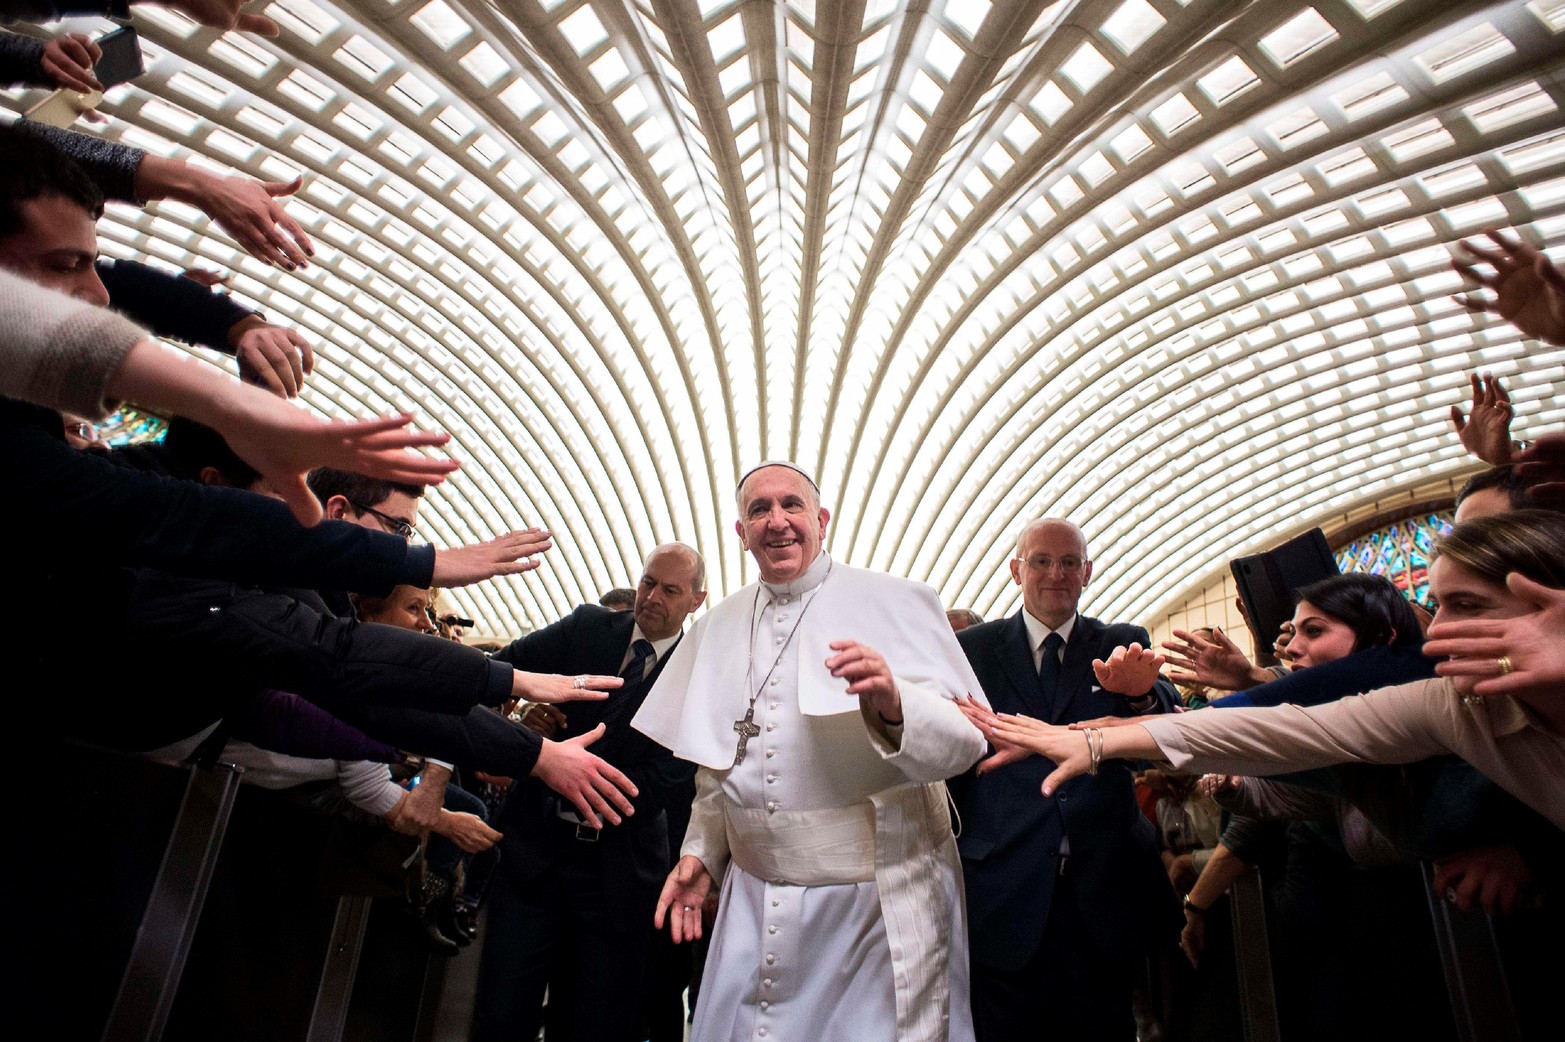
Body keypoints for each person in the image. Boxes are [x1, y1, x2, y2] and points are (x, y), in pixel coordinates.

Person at [633, 462, 986, 1042]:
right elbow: (717, 772)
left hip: (871, 909)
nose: (777, 522)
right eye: (759, 510)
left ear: (821, 520)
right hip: (752, 904)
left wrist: (896, 704)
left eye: (791, 506)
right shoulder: (714, 628)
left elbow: (964, 744)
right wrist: (700, 857)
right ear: (741, 532)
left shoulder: (896, 601)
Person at [979, 510, 1565, 830]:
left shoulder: (1423, 682)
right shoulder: (1450, 707)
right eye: (1437, 608)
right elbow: (1289, 731)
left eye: (1465, 607)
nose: (1436, 633)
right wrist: (1099, 739)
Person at [949, 517, 1179, 1042]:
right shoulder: (974, 650)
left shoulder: (1121, 643)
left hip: (1105, 888)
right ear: (1016, 570)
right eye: (1042, 561)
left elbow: (1168, 720)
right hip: (1005, 888)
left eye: (1070, 562)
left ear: (1087, 573)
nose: (1056, 573)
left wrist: (1142, 696)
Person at [473, 544, 707, 1042]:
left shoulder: (703, 677)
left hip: (617, 876)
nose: (652, 598)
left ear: (697, 600)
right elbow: (504, 667)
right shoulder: (587, 628)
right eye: (648, 583)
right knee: (500, 1011)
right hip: (536, 856)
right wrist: (520, 726)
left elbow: (669, 781)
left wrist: (560, 768)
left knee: (592, 1024)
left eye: (670, 590)